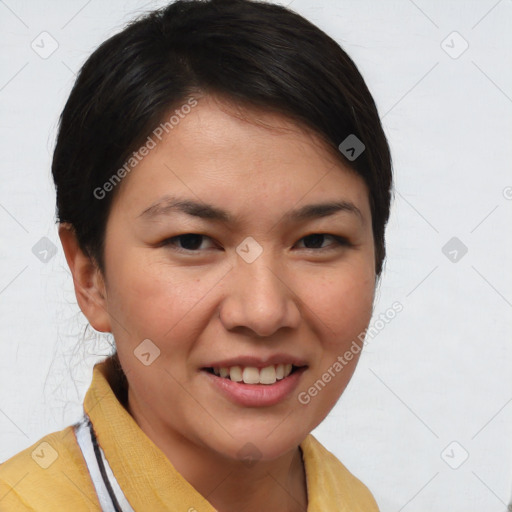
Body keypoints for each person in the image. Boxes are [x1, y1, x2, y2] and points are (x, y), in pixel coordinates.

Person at [0, 0, 392, 510]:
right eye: (192, 242)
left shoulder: (350, 500)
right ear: (90, 275)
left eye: (316, 241)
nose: (263, 311)